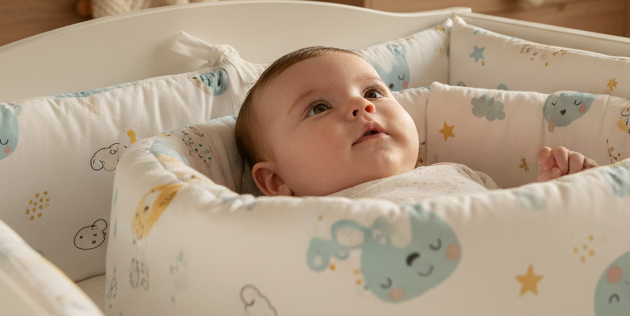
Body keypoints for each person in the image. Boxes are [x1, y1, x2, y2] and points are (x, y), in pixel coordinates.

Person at [233, 46, 597, 200]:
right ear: (277, 181)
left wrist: (553, 193)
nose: (361, 106)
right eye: (318, 108)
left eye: (373, 93)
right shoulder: (295, 223)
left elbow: (514, 228)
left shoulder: (458, 174)